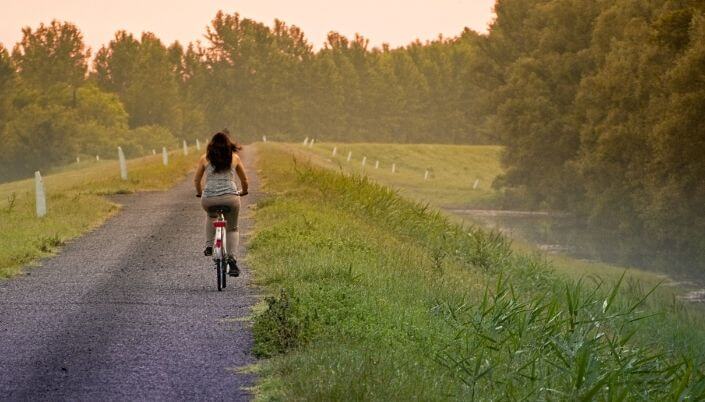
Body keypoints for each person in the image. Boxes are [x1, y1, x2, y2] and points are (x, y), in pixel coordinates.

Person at [194, 131, 249, 276]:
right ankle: (231, 259)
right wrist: (244, 191)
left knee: (211, 216)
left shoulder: (205, 159)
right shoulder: (234, 158)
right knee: (232, 228)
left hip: (209, 198)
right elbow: (244, 181)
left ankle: (209, 246)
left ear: (211, 146)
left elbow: (196, 180)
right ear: (229, 145)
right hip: (230, 198)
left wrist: (200, 193)